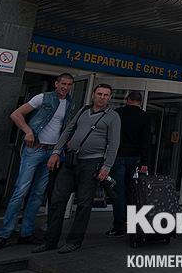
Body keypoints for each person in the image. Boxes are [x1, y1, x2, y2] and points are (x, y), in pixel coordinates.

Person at [0, 73, 78, 250]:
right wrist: (28, 131)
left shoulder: (70, 104)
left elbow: (65, 128)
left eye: (69, 85)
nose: (65, 87)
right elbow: (16, 114)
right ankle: (4, 234)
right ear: (56, 84)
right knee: (21, 191)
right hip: (34, 149)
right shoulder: (43, 97)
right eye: (63, 83)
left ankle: (26, 232)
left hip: (51, 152)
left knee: (38, 193)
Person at [31, 84, 121, 254]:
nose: (102, 97)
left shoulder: (113, 117)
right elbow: (68, 131)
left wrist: (107, 166)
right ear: (93, 94)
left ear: (110, 98)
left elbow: (114, 143)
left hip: (92, 163)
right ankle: (50, 240)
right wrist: (56, 152)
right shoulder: (83, 110)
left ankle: (74, 241)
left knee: (83, 203)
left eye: (106, 95)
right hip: (71, 160)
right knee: (57, 200)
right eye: (99, 93)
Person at [107, 90, 152, 237]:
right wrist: (145, 161)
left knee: (118, 191)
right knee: (132, 191)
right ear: (140, 102)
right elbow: (146, 140)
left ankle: (119, 225)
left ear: (127, 99)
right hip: (135, 158)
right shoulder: (144, 116)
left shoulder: (117, 113)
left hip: (118, 155)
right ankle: (131, 222)